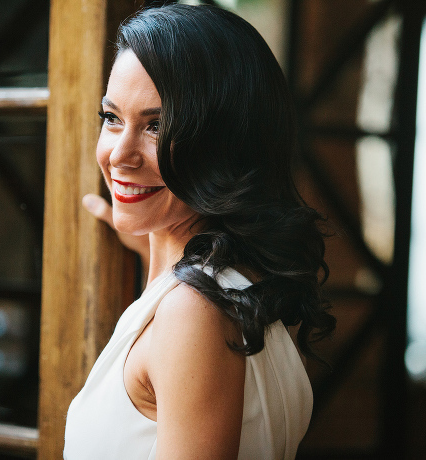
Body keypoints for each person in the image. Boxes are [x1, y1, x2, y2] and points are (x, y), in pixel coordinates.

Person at [64, 4, 335, 459]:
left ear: (224, 143)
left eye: (158, 126)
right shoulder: (244, 284)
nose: (119, 155)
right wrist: (146, 242)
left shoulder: (192, 313)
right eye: (112, 118)